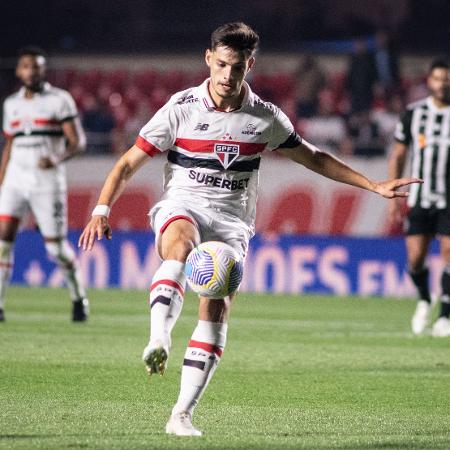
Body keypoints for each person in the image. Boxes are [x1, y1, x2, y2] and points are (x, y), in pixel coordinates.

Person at [78, 23, 419, 436]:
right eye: (220, 64)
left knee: (216, 309)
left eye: (236, 67)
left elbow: (314, 157)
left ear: (249, 66)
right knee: (180, 246)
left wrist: (373, 184)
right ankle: (159, 338)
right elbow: (128, 162)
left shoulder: (264, 117)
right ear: (208, 59)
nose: (226, 75)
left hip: (233, 222)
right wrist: (101, 208)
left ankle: (181, 414)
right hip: (183, 204)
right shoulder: (181, 107)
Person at [0, 47, 89, 322]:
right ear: (19, 71)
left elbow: (78, 142)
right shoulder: (11, 104)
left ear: (43, 70)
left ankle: (78, 296)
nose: (31, 71)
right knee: (3, 242)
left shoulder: (59, 100)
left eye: (36, 66)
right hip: (15, 179)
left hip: (46, 181)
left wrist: (57, 157)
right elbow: (9, 145)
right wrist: (2, 181)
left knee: (56, 249)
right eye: (26, 66)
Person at [388, 59, 450, 337]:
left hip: (449, 199)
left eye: (447, 79)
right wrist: (394, 195)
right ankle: (425, 298)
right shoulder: (414, 114)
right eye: (438, 79)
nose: (443, 84)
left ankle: (445, 316)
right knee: (415, 258)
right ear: (429, 81)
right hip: (421, 198)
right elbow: (399, 155)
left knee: (449, 254)